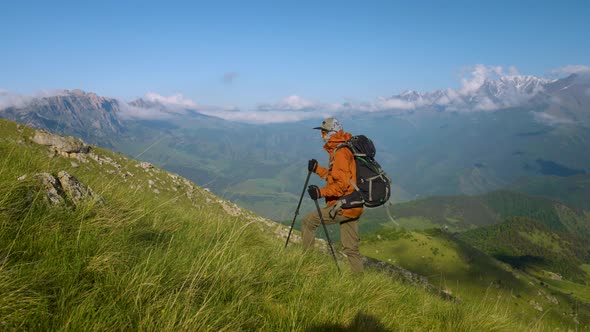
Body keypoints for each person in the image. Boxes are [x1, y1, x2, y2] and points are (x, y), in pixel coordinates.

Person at [303, 117, 364, 273]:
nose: (321, 135)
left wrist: (320, 192)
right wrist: (317, 169)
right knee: (351, 247)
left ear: (332, 133)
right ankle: (359, 283)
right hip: (354, 204)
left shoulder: (341, 153)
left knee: (308, 222)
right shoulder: (342, 149)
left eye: (324, 132)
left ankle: (305, 264)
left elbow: (341, 186)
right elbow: (335, 178)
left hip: (343, 205)